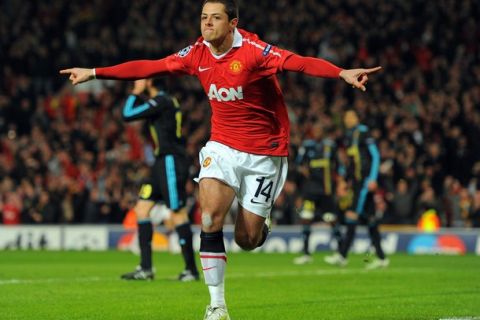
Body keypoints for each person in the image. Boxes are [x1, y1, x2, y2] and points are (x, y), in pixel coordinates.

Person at [60, 1, 381, 318]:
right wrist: (94, 72)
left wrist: (341, 72)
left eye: (215, 18)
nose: (207, 24)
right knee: (210, 218)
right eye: (203, 17)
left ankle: (260, 224)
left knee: (247, 240)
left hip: (264, 153)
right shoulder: (196, 53)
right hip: (222, 147)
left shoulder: (255, 51)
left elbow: (298, 63)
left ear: (233, 23)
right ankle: (217, 305)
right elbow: (151, 66)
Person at [119, 78, 199, 282]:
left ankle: (191, 269)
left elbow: (127, 114)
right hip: (160, 162)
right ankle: (146, 268)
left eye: (142, 78)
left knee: (177, 213)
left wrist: (135, 92)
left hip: (171, 161)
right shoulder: (166, 101)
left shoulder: (162, 101)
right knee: (142, 209)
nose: (138, 80)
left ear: (150, 81)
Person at [324, 109, 389, 269]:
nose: (348, 119)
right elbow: (351, 163)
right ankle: (381, 258)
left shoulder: (364, 133)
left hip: (365, 181)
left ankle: (342, 255)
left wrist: (373, 178)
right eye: (346, 117)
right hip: (357, 182)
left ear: (357, 118)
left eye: (351, 116)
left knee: (351, 215)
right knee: (371, 220)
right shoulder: (348, 137)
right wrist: (345, 181)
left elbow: (375, 156)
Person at [293, 124, 343, 265]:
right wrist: (304, 170)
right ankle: (306, 254)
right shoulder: (307, 146)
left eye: (319, 130)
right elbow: (298, 163)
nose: (317, 132)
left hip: (326, 191)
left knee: (331, 219)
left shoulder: (330, 146)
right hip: (310, 191)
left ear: (323, 132)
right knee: (306, 218)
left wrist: (340, 182)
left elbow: (338, 165)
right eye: (315, 130)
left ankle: (340, 252)